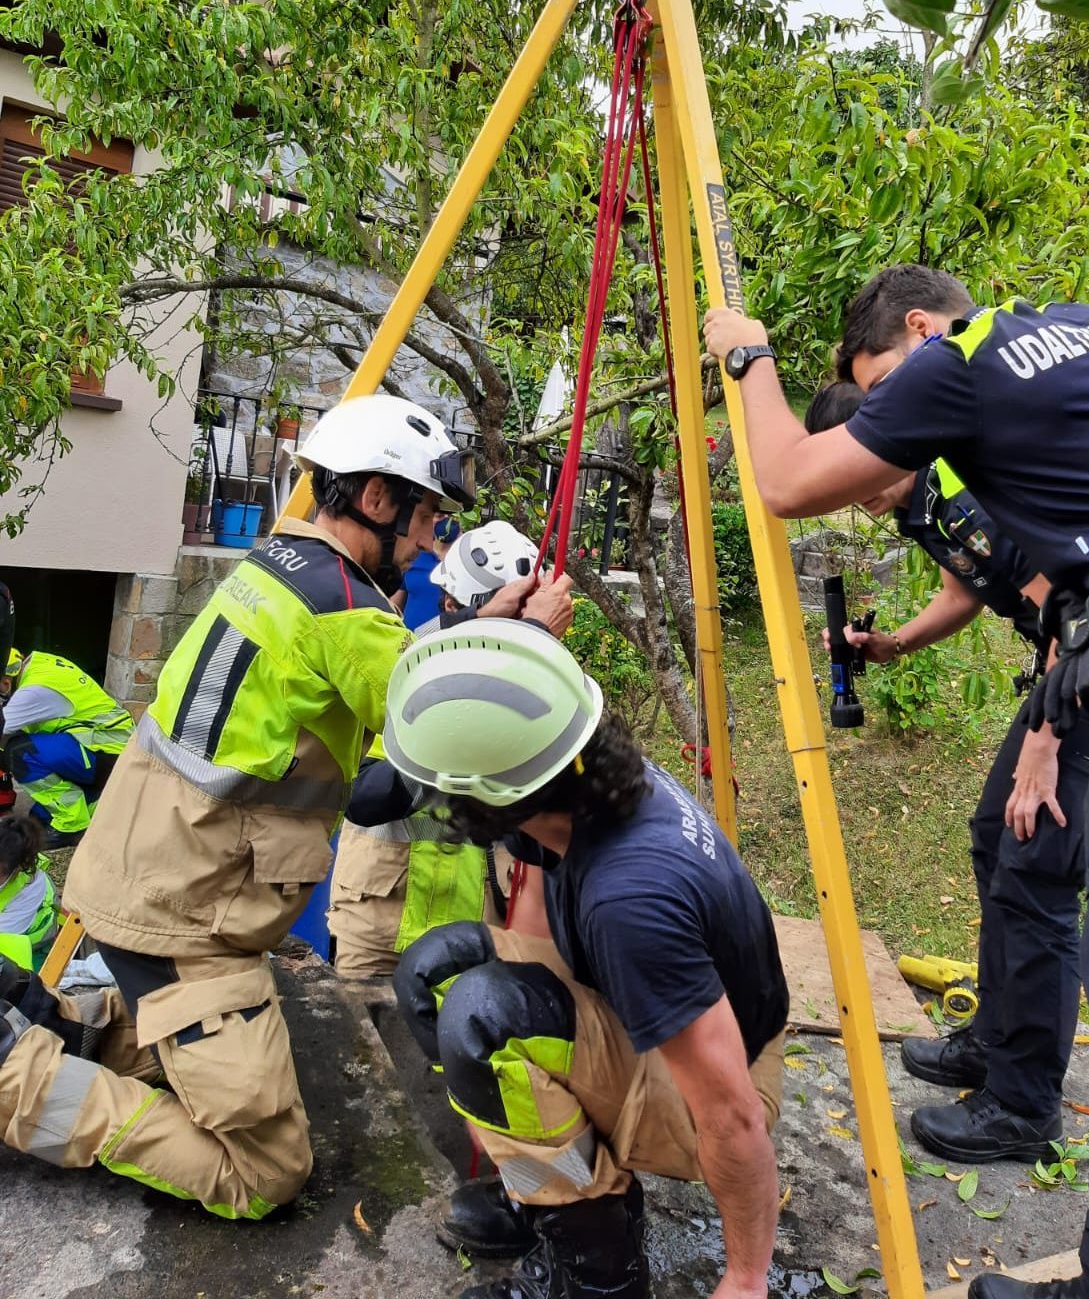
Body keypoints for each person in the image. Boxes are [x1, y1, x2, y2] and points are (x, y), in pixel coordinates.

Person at [706, 264, 1089, 1299]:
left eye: (878, 385)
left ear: (920, 330)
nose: (886, 419)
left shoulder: (961, 367)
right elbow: (991, 584)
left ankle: (1081, 1194)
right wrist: (888, 650)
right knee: (1051, 887)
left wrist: (744, 353)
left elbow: (787, 479)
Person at [0, 393, 520, 1221]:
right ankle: (14, 1080)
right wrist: (511, 639)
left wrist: (478, 623)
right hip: (187, 918)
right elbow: (439, 725)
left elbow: (392, 677)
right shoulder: (348, 610)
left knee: (217, 1060)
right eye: (424, 518)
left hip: (143, 871)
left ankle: (61, 1026)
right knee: (267, 1172)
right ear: (376, 499)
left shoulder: (280, 564)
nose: (430, 543)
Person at [390, 619, 789, 1299]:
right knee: (434, 971)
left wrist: (746, 1279)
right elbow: (541, 918)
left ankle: (597, 1271)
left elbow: (735, 1114)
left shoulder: (627, 900)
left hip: (716, 1091)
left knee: (478, 1021)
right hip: (671, 1023)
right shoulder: (581, 783)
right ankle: (552, 1195)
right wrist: (495, 1107)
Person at [807, 382, 1089, 1163]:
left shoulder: (961, 481)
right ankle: (996, 1039)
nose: (847, 492)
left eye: (848, 467)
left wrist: (1047, 737)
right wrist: (892, 643)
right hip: (1066, 665)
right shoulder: (917, 501)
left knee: (1034, 867)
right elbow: (964, 587)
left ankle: (1026, 1104)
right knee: (994, 838)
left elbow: (1073, 600)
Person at [327, 520, 561, 979]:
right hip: (379, 926)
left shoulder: (537, 687)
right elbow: (363, 796)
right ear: (456, 605)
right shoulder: (406, 673)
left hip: (473, 934)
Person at [0, 647, 134, 847]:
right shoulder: (37, 662)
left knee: (18, 753)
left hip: (106, 752)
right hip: (104, 749)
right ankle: (94, 798)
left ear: (5, 683)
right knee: (36, 819)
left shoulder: (32, 692)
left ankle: (72, 826)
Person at [0, 816, 58, 972]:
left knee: (14, 981)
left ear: (17, 869)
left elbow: (4, 936)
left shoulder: (29, 887)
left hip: (28, 944)